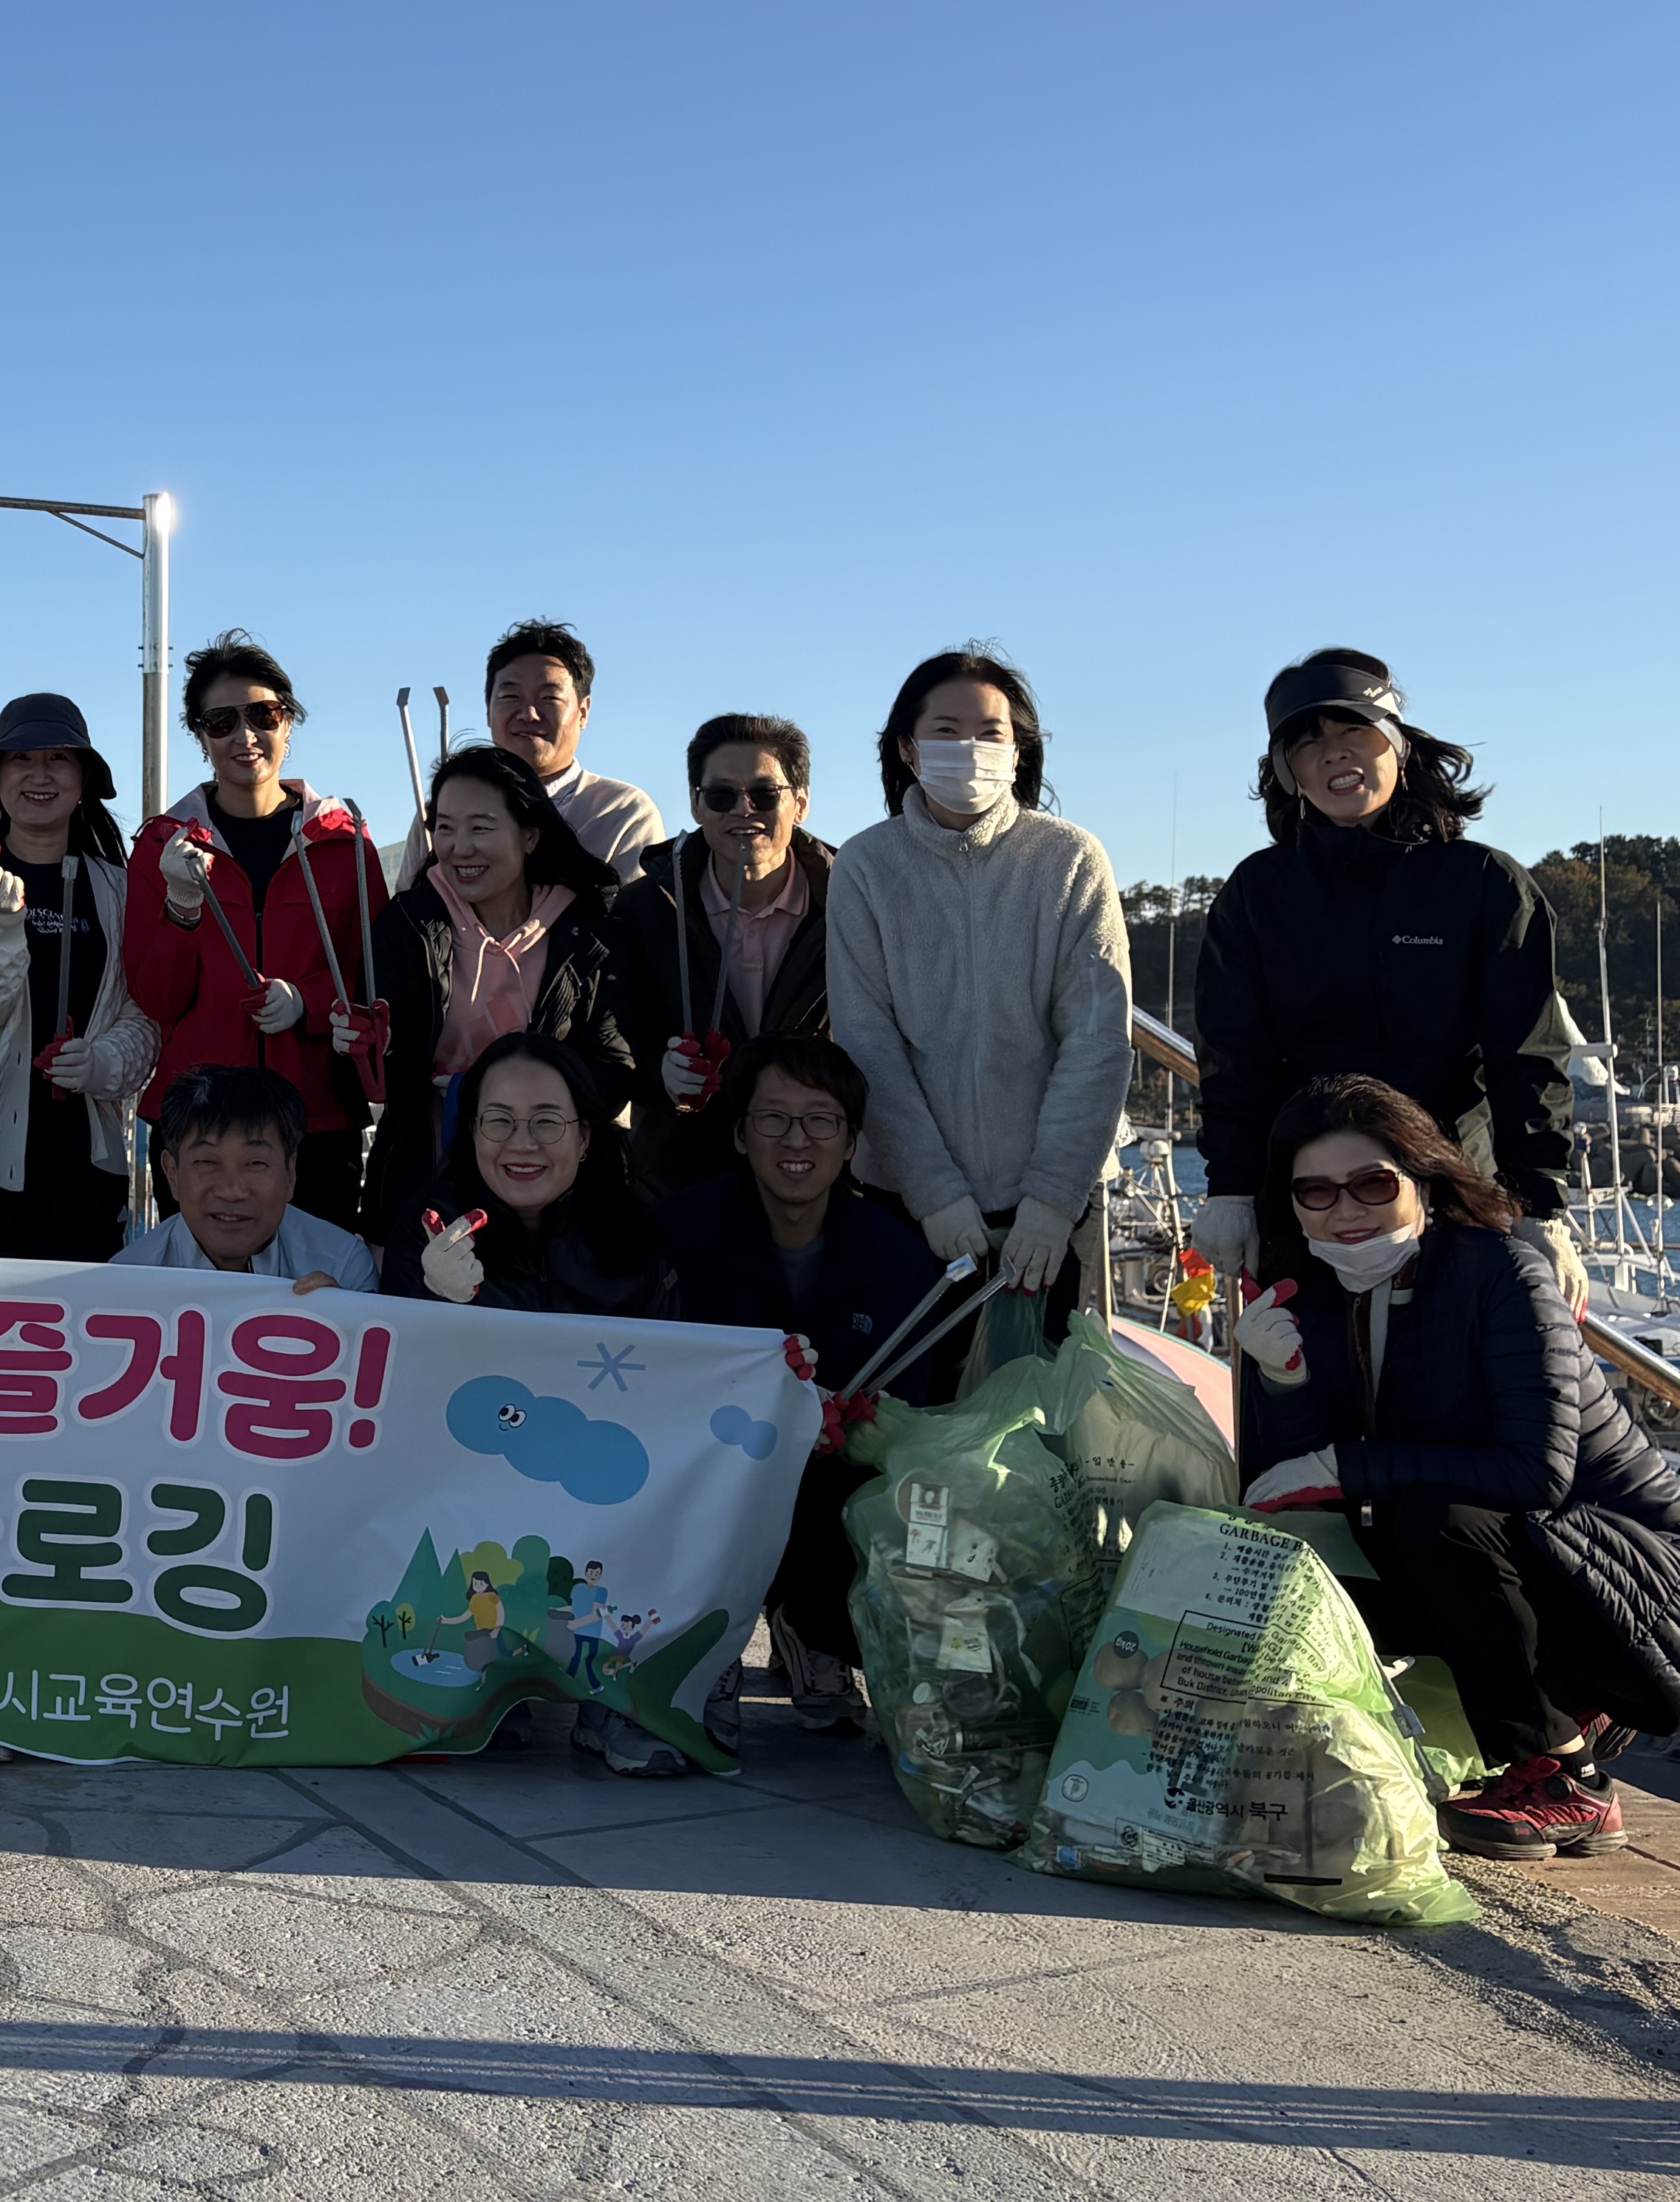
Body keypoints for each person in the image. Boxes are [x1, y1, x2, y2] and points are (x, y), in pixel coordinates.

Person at [1233, 1075, 1680, 1858]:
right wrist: (1286, 1380)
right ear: (1292, 1202)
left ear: (1425, 1183)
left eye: (1373, 1183)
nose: (1346, 1210)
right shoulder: (1313, 1294)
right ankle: (1526, 1724)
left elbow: (1535, 1474)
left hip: (1648, 1583)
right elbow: (1289, 1486)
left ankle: (1565, 1778)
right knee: (1308, 1561)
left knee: (1439, 1520)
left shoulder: (1502, 1272)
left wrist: (1344, 1464)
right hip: (1534, 1561)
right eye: (1318, 1192)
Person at [1194, 652, 1577, 1281]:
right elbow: (1234, 1059)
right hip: (1310, 1208)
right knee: (1303, 1376)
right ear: (1289, 775)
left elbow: (1528, 1054)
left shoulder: (1485, 883)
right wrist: (1231, 1191)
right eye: (1307, 741)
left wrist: (1542, 1205)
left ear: (1400, 746)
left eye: (1355, 731)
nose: (1335, 753)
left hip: (1455, 1200)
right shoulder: (1257, 893)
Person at [661, 1035, 964, 1748]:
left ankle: (814, 1628)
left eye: (821, 1120)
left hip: (831, 1478)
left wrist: (857, 1424)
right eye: (773, 1118)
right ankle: (709, 1646)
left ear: (852, 1140)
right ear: (738, 1133)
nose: (797, 1140)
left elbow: (908, 1403)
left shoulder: (897, 1256)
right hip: (711, 1463)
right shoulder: (677, 1233)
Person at [823, 648, 1134, 1340]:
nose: (970, 747)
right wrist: (934, 1193)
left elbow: (1095, 1038)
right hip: (908, 1201)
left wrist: (1053, 1200)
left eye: (991, 732)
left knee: (1046, 1422)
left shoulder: (1072, 858)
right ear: (907, 747)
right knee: (917, 1423)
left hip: (1054, 1205)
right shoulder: (867, 866)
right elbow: (867, 1036)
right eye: (945, 729)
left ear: (1019, 750)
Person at [123, 637, 390, 1234]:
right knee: (202, 1305)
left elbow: (378, 978)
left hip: (317, 1121)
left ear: (287, 722)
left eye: (262, 715)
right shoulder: (160, 847)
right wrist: (183, 906)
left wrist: (309, 1004)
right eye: (221, 722)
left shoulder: (346, 843)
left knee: (319, 1302)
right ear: (200, 737)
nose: (243, 736)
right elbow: (156, 997)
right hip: (199, 1125)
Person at [0, 694, 157, 1263]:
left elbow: (144, 1016)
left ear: (83, 781)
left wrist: (104, 1063)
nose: (39, 774)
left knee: (74, 1341)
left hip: (83, 1168)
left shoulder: (120, 889)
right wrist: (0, 927)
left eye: (59, 759)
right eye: (21, 759)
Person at [363, 744, 631, 1222]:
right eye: (444, 828)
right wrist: (363, 1046)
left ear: (529, 836)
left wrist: (528, 1102)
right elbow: (385, 1072)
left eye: (480, 828)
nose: (459, 847)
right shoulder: (408, 924)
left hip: (552, 1202)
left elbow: (612, 1066)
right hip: (423, 1189)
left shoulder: (585, 934)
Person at [609, 716, 836, 1206]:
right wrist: (660, 1076)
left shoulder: (850, 906)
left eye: (764, 794)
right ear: (695, 804)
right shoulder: (644, 910)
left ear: (801, 802)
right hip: (684, 1182)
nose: (743, 809)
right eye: (721, 796)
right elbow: (615, 1041)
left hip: (819, 1177)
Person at [376, 1029, 666, 1314]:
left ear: (583, 1137)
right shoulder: (427, 1235)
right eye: (499, 1120)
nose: (523, 1144)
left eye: (547, 1121)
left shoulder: (639, 1235)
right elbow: (401, 1353)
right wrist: (438, 1299)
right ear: (473, 1131)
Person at [393, 621, 665, 888]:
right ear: (488, 710)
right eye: (511, 696)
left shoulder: (622, 812)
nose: (529, 714)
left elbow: (635, 924)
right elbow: (406, 912)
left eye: (549, 699)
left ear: (583, 713)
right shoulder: (443, 812)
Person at [107, 1066, 381, 1288]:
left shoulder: (344, 1268)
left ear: (290, 1174)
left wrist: (345, 1325)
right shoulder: (122, 1283)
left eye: (256, 1163)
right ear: (173, 1174)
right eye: (207, 1162)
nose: (232, 1190)